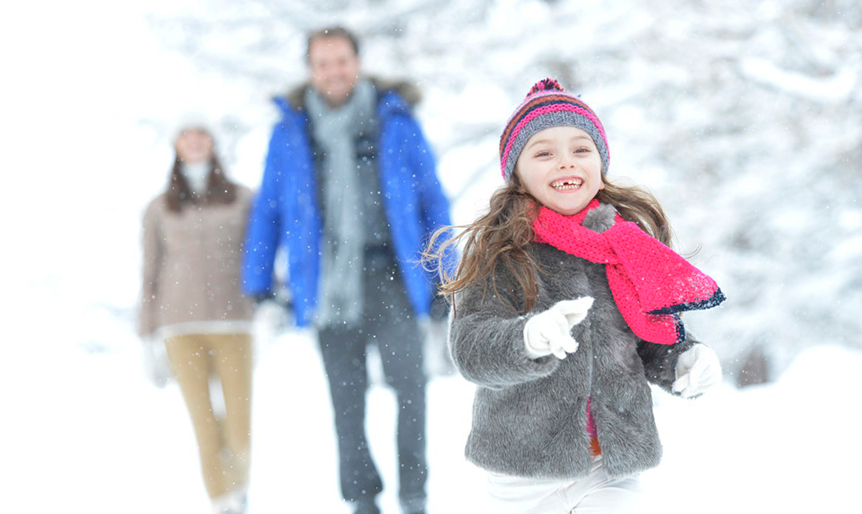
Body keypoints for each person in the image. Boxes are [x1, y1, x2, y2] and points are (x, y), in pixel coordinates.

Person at [426, 78, 726, 513]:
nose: (565, 163)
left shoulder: (627, 244)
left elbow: (648, 340)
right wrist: (526, 340)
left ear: (600, 164)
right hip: (522, 470)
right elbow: (471, 349)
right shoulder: (501, 251)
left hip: (611, 465)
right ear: (517, 172)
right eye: (544, 152)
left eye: (580, 150)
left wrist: (684, 361)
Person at [242, 26, 453, 514]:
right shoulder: (292, 131)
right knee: (346, 400)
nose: (332, 71)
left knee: (410, 390)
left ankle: (415, 496)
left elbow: (430, 200)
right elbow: (270, 209)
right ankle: (362, 500)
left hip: (392, 275)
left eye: (340, 61)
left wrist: (445, 274)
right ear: (311, 70)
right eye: (322, 63)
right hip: (328, 284)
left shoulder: (394, 121)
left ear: (356, 63)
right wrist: (258, 281)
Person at [139, 126, 255, 514]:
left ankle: (239, 490)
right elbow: (150, 271)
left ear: (212, 141)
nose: (194, 142)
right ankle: (223, 504)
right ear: (175, 144)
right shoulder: (159, 208)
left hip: (234, 323)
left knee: (238, 429)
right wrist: (146, 336)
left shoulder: (241, 199)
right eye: (185, 136)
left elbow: (260, 259)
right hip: (178, 327)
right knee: (205, 426)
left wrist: (269, 305)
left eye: (201, 134)